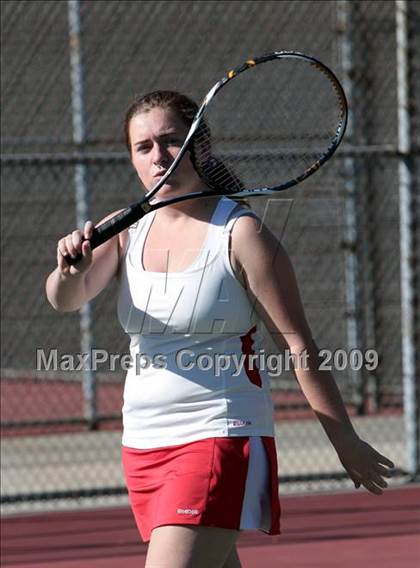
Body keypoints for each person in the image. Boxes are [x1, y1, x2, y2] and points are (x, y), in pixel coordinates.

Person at [46, 90, 395, 568]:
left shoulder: (241, 233)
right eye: (143, 146)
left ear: (200, 146)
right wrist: (69, 270)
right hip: (144, 445)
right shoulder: (125, 230)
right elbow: (65, 299)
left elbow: (298, 346)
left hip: (220, 435)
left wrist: (345, 440)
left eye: (171, 141)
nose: (158, 156)